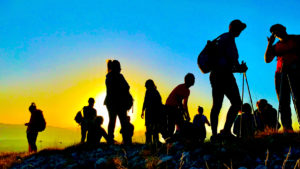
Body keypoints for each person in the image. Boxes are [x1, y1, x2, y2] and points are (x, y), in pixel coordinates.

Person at [209, 19, 248, 140]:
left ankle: (216, 134)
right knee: (236, 103)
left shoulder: (223, 38)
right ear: (234, 28)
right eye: (240, 29)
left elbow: (225, 61)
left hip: (216, 75)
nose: (241, 31)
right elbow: (230, 60)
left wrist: (237, 68)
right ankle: (225, 131)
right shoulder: (229, 39)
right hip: (224, 76)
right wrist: (240, 68)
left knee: (217, 105)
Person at [264, 24, 300, 133]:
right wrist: (269, 43)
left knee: (298, 99)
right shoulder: (276, 46)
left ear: (284, 29)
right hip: (280, 74)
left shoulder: (296, 39)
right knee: (283, 102)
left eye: (277, 31)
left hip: (295, 72)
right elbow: (267, 59)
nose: (276, 34)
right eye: (274, 33)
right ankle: (287, 129)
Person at [104, 60, 132, 144]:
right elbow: (127, 87)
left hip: (110, 102)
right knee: (123, 121)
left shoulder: (108, 77)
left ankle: (110, 139)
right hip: (119, 103)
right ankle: (126, 139)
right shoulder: (119, 76)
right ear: (117, 68)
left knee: (112, 121)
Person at [165, 73, 195, 139]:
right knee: (172, 123)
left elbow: (185, 104)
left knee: (179, 122)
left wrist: (187, 115)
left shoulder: (187, 91)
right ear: (188, 80)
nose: (194, 80)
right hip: (169, 106)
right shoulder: (181, 87)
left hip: (175, 107)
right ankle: (170, 140)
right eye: (193, 79)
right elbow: (178, 100)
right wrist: (184, 113)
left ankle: (175, 138)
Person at [141, 79, 163, 145]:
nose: (146, 87)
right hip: (151, 112)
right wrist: (142, 111)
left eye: (147, 86)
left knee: (152, 128)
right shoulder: (154, 92)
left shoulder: (152, 92)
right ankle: (152, 142)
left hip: (153, 112)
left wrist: (143, 110)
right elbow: (145, 101)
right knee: (152, 128)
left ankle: (151, 142)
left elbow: (146, 101)